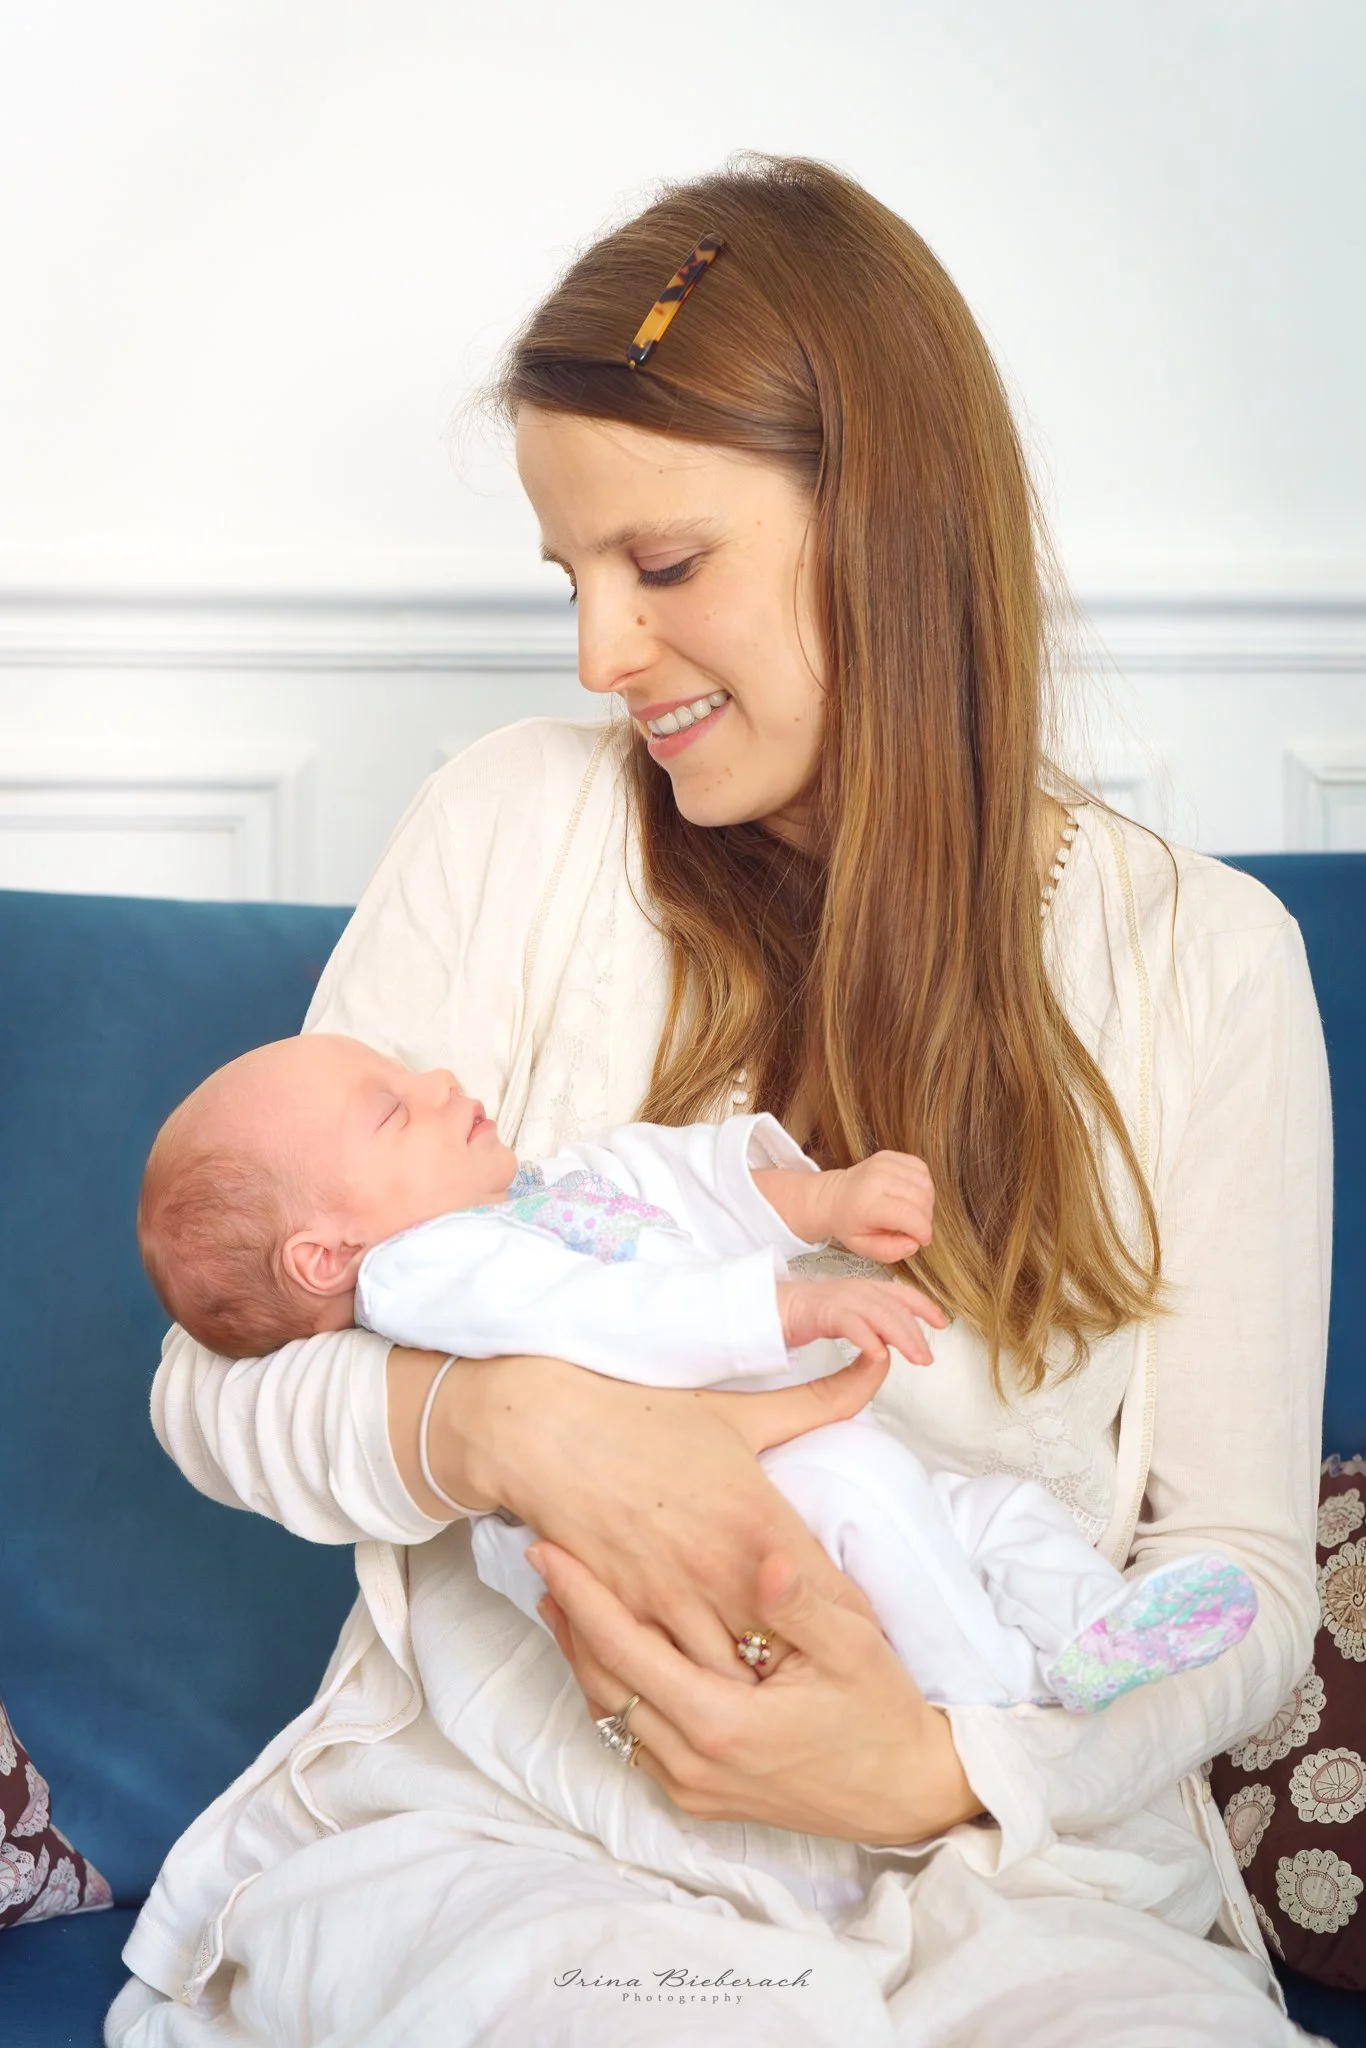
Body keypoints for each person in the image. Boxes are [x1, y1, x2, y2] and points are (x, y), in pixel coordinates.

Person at [107, 156, 1330, 2046]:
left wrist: (931, 1767)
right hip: (528, 1839)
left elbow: (1235, 1576)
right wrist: (512, 1423)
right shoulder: (517, 821)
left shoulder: (1202, 960)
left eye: (663, 565)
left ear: (893, 530)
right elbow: (218, 1377)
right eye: (573, 576)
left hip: (1011, 1874)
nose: (601, 653)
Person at [135, 1031, 1257, 1719]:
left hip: (779, 1457)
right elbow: (612, 1314)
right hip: (702, 1514)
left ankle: (1090, 1628)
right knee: (876, 1500)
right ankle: (994, 1698)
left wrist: (816, 1202)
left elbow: (655, 1177)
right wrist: (793, 1302)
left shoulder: (515, 1198)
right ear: (325, 1256)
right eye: (391, 1107)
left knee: (983, 1508)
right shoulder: (429, 1272)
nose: (436, 1078)